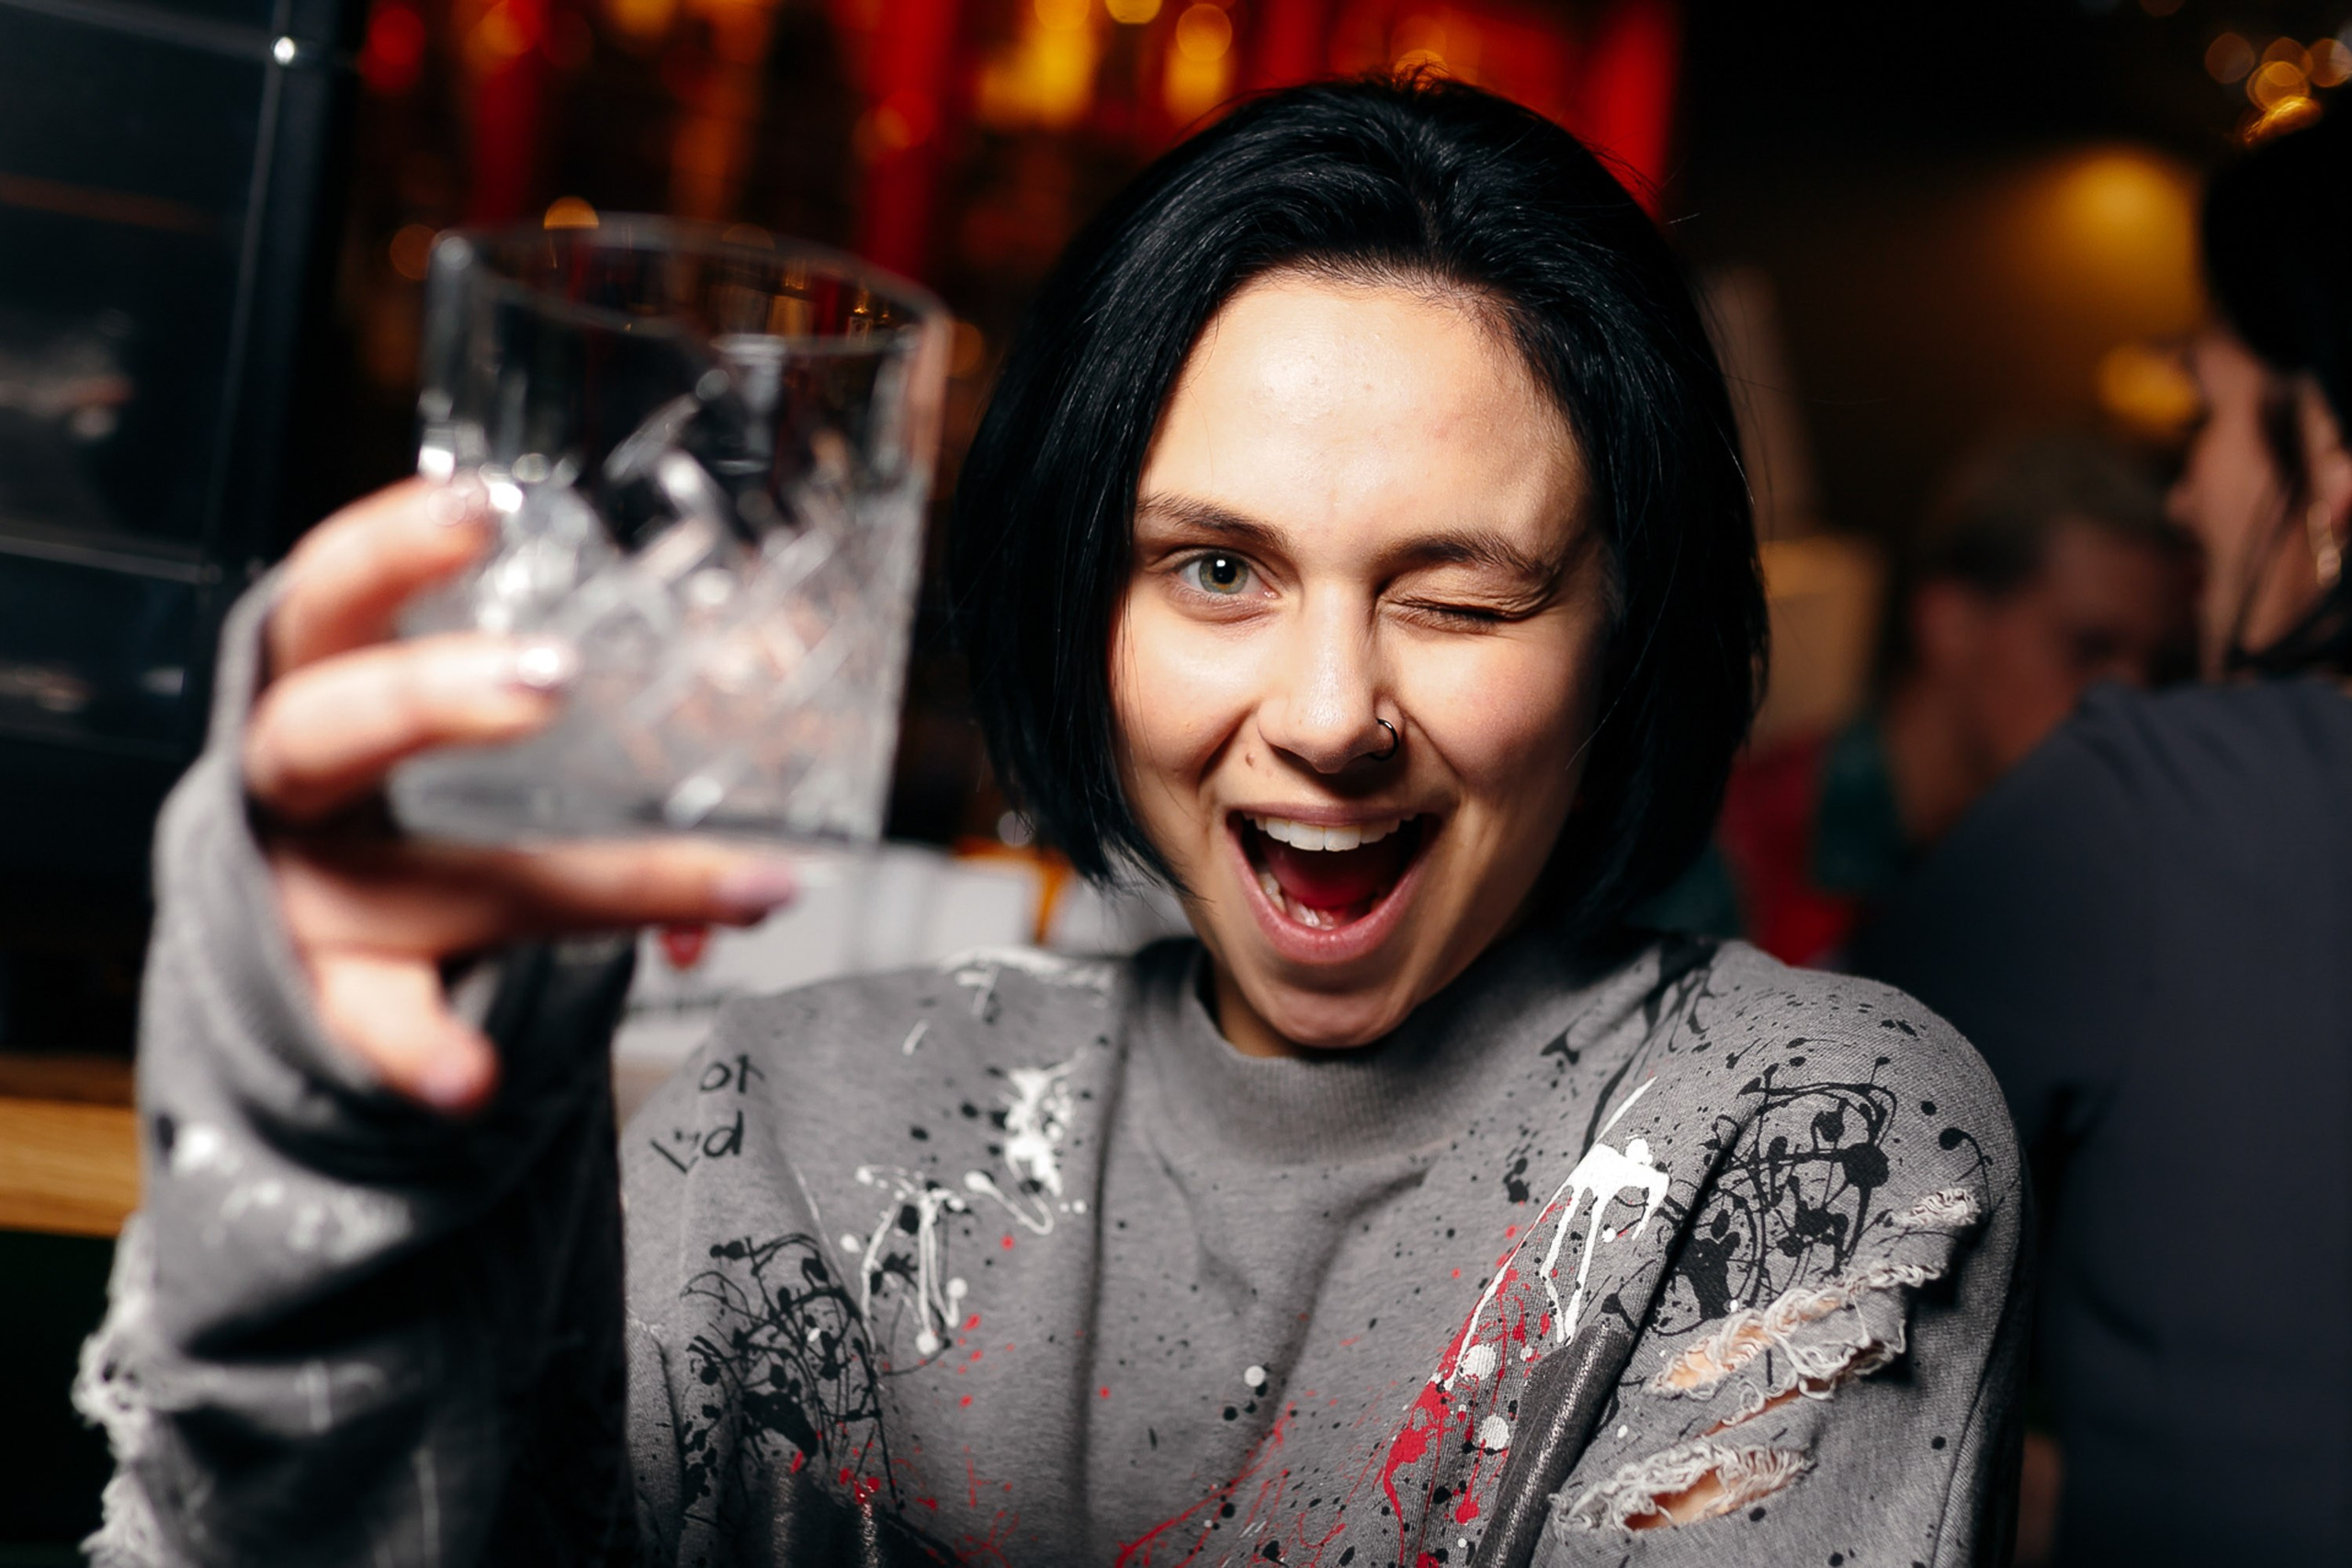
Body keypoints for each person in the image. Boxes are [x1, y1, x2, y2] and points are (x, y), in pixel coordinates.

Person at [78, 78, 2024, 1567]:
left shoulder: (1800, 1133)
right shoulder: (797, 1125)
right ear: (1076, 596)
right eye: (1213, 568)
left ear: (1624, 633)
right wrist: (334, 1147)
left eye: (1459, 591)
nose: (1331, 711)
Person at [1855, 109, 2352, 1567]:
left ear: (2330, 450)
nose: (2194, 494)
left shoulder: (2160, 802)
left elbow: (1783, 1224)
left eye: (2213, 411)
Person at [1656, 436, 2193, 968]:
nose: (2130, 702)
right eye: (2089, 648)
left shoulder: (2077, 877)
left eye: (2159, 669)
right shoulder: (1732, 849)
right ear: (1950, 623)